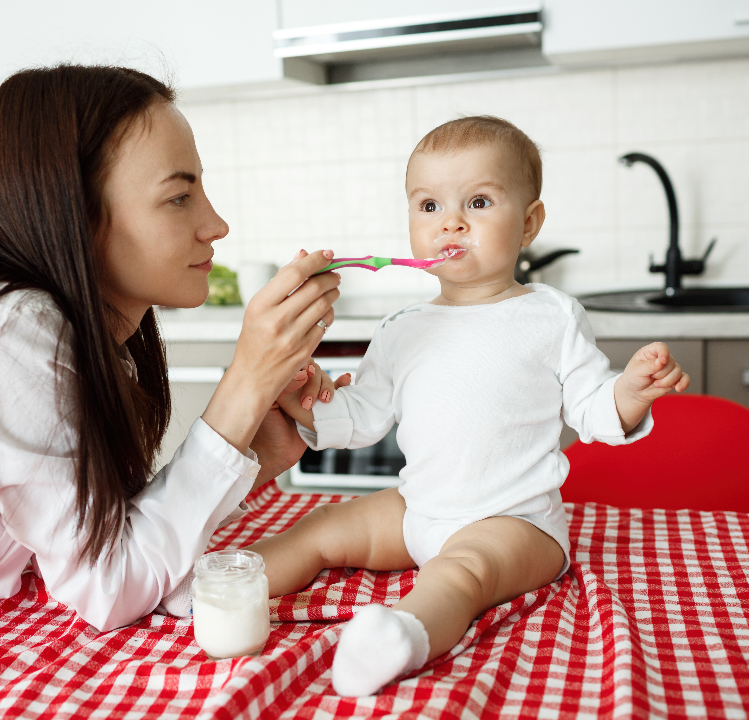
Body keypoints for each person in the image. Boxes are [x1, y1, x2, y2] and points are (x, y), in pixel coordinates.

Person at [0, 66, 342, 635]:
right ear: (76, 214)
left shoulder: (79, 337)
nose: (216, 224)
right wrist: (244, 384)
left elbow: (113, 537)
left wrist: (255, 454)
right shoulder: (9, 336)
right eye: (179, 197)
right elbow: (110, 585)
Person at [250, 116, 691, 697]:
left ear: (529, 222)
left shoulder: (551, 315)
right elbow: (360, 417)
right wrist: (305, 400)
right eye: (428, 206)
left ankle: (400, 636)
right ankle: (217, 584)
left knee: (460, 572)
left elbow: (590, 407)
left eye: (478, 202)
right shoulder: (401, 328)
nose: (450, 222)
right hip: (418, 509)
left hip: (516, 522)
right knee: (326, 524)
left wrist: (627, 393)